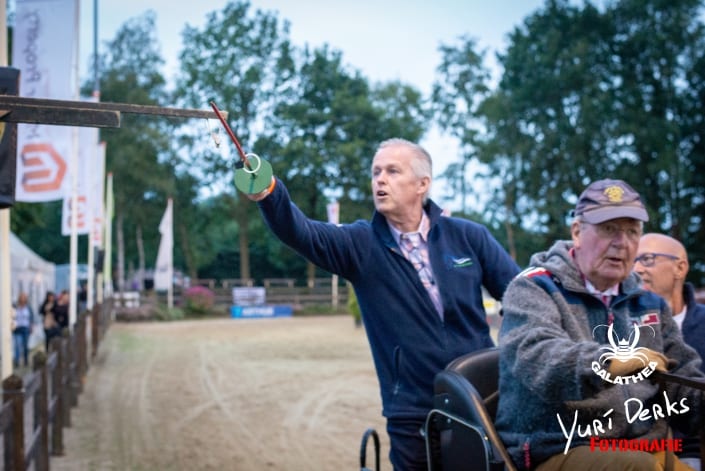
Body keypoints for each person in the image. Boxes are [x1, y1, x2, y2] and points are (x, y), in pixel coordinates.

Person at [245, 138, 520, 469]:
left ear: (422, 184)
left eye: (392, 171)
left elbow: (520, 294)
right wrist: (269, 193)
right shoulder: (359, 244)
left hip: (482, 399)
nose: (380, 179)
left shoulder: (469, 236)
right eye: (376, 172)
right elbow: (300, 232)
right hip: (413, 413)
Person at [495, 178, 705, 470]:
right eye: (609, 230)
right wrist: (606, 362)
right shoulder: (534, 288)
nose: (622, 243)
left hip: (649, 446)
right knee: (638, 467)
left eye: (632, 232)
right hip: (560, 445)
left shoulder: (648, 302)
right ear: (577, 232)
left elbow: (681, 377)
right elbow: (538, 356)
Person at [636, 233, 705, 471]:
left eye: (647, 259)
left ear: (680, 267)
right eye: (633, 261)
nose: (636, 269)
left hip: (691, 450)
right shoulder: (624, 322)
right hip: (636, 448)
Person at [12, 292, 34, 368]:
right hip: (17, 328)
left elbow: (31, 317)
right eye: (21, 297)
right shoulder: (15, 306)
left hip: (25, 328)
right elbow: (12, 315)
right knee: (17, 345)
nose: (23, 299)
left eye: (24, 297)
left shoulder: (28, 307)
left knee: (25, 345)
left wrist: (31, 326)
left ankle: (25, 360)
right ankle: (17, 361)